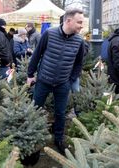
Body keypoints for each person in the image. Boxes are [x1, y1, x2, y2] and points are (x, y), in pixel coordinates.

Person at [27, 9, 85, 154]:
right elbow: (37, 54)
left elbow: (78, 63)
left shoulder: (79, 41)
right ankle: (33, 136)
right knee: (35, 110)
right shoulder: (49, 34)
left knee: (60, 113)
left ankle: (58, 139)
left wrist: (70, 80)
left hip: (62, 84)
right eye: (79, 22)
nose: (81, 26)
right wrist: (30, 74)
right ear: (68, 21)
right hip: (43, 81)